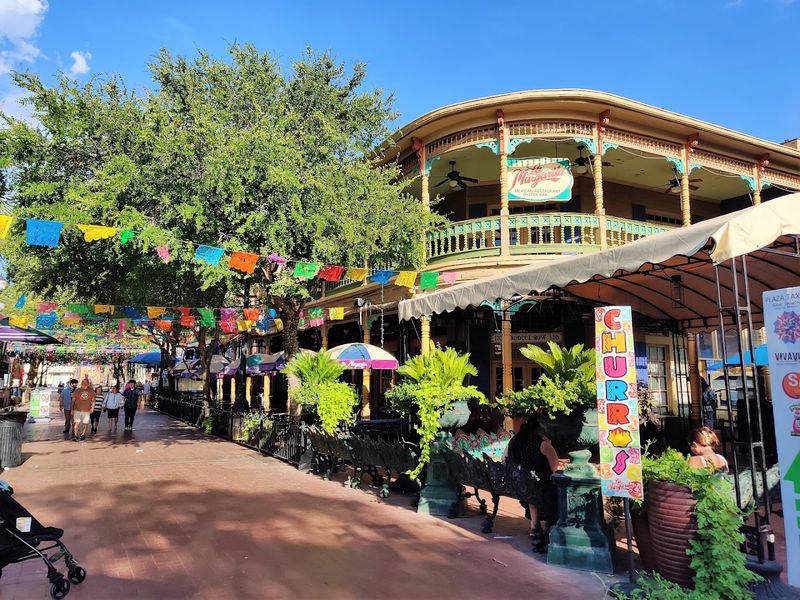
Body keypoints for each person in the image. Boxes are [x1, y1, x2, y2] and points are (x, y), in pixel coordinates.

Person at [505, 418, 569, 552]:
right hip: (543, 487)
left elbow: (504, 459)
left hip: (523, 486)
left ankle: (535, 526)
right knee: (554, 488)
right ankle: (548, 528)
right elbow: (555, 469)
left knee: (533, 488)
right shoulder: (544, 445)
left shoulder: (515, 443)